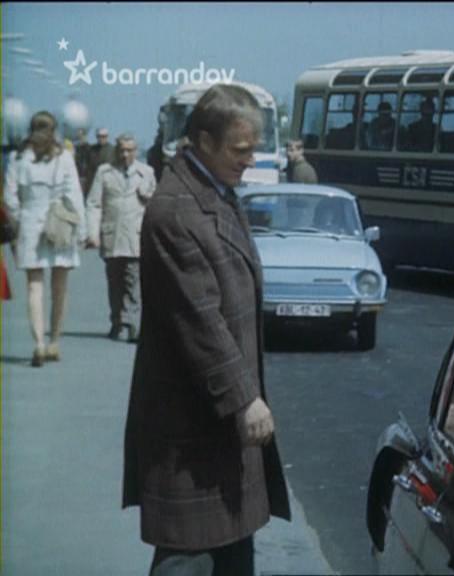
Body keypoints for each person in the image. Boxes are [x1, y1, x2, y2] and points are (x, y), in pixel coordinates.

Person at [122, 84, 290, 575]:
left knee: (230, 547)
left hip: (218, 423)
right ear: (203, 140)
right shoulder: (175, 211)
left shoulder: (213, 192)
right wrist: (244, 398)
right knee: (188, 553)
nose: (250, 160)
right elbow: (199, 318)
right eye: (240, 150)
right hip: (191, 426)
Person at [2, 111, 86, 366]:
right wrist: (81, 230)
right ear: (54, 130)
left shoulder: (18, 158)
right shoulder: (64, 157)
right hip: (59, 223)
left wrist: (22, 218)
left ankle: (38, 343)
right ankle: (54, 342)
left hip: (30, 223)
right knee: (60, 288)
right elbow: (74, 195)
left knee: (34, 287)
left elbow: (9, 197)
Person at [86, 133, 156, 342]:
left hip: (135, 236)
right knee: (115, 282)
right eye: (122, 150)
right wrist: (92, 233)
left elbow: (155, 205)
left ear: (136, 151)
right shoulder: (104, 172)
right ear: (116, 150)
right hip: (112, 235)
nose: (125, 154)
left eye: (129, 150)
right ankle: (117, 321)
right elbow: (94, 204)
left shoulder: (146, 172)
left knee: (133, 281)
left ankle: (132, 324)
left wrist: (148, 195)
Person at [73, 127, 93, 196]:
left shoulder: (89, 148)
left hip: (85, 176)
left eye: (81, 135)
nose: (80, 137)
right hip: (77, 175)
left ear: (85, 135)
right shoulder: (76, 148)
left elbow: (90, 162)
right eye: (78, 136)